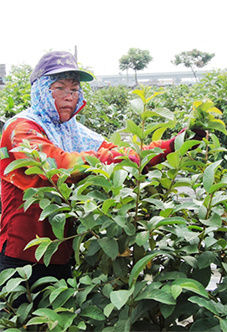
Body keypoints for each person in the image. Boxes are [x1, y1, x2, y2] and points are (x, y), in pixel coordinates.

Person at [0, 51, 201, 304]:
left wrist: (172, 145)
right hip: (24, 254)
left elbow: (119, 154)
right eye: (59, 88)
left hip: (62, 251)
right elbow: (62, 166)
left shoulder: (71, 129)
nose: (69, 96)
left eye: (74, 89)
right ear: (41, 91)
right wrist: (105, 160)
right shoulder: (21, 129)